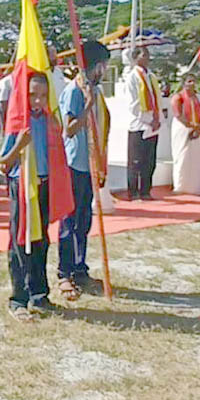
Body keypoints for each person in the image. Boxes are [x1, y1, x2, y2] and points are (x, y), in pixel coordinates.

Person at [0, 73, 61, 322]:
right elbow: (4, 163)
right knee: (20, 241)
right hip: (23, 185)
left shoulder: (48, 120)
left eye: (43, 96)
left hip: (44, 185)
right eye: (33, 95)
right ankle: (19, 298)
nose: (37, 101)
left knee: (41, 240)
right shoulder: (18, 122)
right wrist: (20, 144)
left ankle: (39, 293)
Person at [57, 41, 111, 299]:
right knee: (69, 221)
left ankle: (80, 268)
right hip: (74, 164)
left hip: (90, 164)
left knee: (84, 221)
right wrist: (87, 107)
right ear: (96, 65)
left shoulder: (95, 90)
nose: (106, 70)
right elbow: (68, 128)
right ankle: (64, 273)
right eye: (104, 65)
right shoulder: (75, 91)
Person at [124, 46, 161, 200]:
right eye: (144, 55)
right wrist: (148, 120)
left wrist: (157, 119)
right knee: (136, 161)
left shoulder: (151, 76)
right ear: (136, 58)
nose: (147, 58)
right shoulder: (132, 77)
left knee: (149, 160)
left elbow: (156, 99)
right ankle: (133, 192)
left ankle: (146, 191)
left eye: (148, 55)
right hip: (138, 124)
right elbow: (133, 104)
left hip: (153, 124)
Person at [171, 73, 200, 195]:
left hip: (196, 129)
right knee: (182, 156)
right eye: (189, 81)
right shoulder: (178, 97)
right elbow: (178, 115)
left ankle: (194, 187)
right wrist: (191, 126)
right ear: (184, 83)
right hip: (182, 129)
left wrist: (198, 127)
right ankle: (180, 186)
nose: (192, 84)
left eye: (194, 81)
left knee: (195, 157)